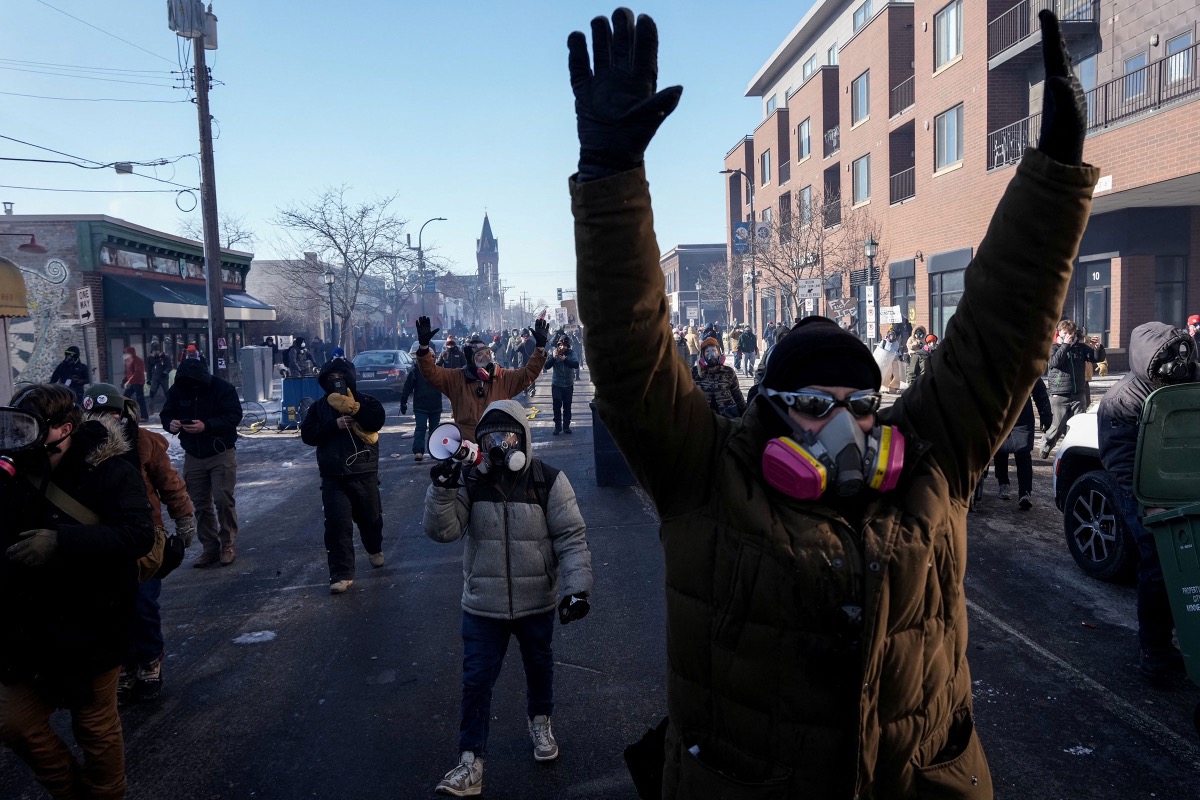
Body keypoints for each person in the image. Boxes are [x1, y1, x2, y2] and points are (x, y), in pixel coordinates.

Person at [567, 9, 1093, 796]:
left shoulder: (930, 469)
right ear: (774, 406)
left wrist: (1053, 174)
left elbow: (1002, 332)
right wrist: (611, 174)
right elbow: (631, 356)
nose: (843, 424)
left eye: (861, 402)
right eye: (815, 401)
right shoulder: (708, 482)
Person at [424, 399, 593, 796]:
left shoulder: (548, 480)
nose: (500, 446)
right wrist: (442, 491)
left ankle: (540, 723)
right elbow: (442, 532)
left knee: (539, 667)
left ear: (524, 439)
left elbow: (571, 537)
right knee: (476, 682)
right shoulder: (470, 481)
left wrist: (576, 588)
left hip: (536, 601)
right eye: (491, 438)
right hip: (483, 605)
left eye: (508, 436)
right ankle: (470, 763)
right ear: (479, 443)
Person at [0, 383, 154, 799]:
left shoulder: (109, 469)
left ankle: (106, 794)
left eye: (31, 428)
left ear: (65, 428)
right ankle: (70, 791)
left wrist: (62, 542)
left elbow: (138, 535)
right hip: (26, 626)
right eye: (15, 427)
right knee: (13, 721)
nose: (21, 438)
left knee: (95, 726)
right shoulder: (15, 468)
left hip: (92, 621)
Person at [81, 384, 195, 703]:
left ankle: (149, 660)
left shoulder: (143, 441)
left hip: (144, 536)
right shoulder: (79, 445)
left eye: (111, 413)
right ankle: (125, 665)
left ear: (122, 412)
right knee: (110, 608)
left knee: (143, 604)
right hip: (101, 539)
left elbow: (169, 483)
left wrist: (184, 519)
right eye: (97, 413)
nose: (105, 419)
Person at [1098, 321, 1198, 686]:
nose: (1176, 367)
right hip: (1144, 493)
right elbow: (1118, 458)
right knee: (1160, 568)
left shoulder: (1191, 380)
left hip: (1188, 486)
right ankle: (1154, 650)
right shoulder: (1122, 400)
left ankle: (1186, 642)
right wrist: (1147, 502)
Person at [300, 352, 386, 594]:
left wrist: (355, 411)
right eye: (332, 377)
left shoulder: (366, 401)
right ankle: (341, 573)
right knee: (337, 526)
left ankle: (374, 548)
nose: (336, 381)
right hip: (333, 476)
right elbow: (308, 435)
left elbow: (376, 420)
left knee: (370, 520)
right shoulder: (319, 408)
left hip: (363, 471)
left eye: (341, 376)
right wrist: (332, 426)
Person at [161, 351, 243, 567]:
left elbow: (234, 416)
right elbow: (166, 414)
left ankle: (228, 544)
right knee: (200, 504)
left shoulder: (222, 388)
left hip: (220, 451)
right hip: (193, 454)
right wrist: (170, 424)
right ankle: (210, 547)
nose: (191, 386)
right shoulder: (177, 390)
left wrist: (207, 425)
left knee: (223, 499)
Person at [415, 316, 548, 443]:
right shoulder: (456, 379)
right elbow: (430, 372)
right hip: (467, 447)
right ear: (470, 360)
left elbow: (528, 374)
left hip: (498, 443)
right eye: (479, 354)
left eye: (487, 353)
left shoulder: (503, 377)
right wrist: (424, 348)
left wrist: (540, 348)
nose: (486, 357)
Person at [992, 377, 1052, 510]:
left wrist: (1045, 414)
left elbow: (1039, 391)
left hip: (1021, 418)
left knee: (1023, 454)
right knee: (1000, 452)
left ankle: (1025, 493)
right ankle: (1003, 483)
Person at [1039, 318, 1090, 459]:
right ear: (1059, 332)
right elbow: (1054, 363)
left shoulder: (1079, 347)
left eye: (1072, 333)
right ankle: (1045, 445)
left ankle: (1072, 453)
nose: (1069, 335)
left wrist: (1098, 348)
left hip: (1078, 393)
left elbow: (1095, 357)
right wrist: (1065, 345)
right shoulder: (1052, 347)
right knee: (1057, 426)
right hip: (1059, 393)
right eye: (1066, 332)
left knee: (1076, 426)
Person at [400, 351, 443, 463]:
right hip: (421, 406)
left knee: (434, 430)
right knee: (421, 428)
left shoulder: (438, 371)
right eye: (429, 357)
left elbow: (448, 385)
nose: (431, 359)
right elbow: (407, 387)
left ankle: (434, 451)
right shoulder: (416, 371)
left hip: (435, 406)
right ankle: (418, 451)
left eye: (433, 357)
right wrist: (403, 402)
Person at [691, 337, 745, 418]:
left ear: (719, 353)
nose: (711, 354)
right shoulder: (694, 372)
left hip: (727, 417)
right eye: (707, 351)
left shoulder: (728, 371)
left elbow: (737, 394)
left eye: (714, 350)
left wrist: (745, 413)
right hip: (702, 417)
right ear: (702, 355)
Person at [544, 335, 580, 434]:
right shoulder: (554, 352)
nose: (562, 347)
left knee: (567, 406)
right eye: (560, 345)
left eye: (565, 345)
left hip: (568, 384)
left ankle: (566, 427)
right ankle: (557, 427)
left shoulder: (571, 353)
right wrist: (554, 358)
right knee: (557, 406)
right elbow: (546, 366)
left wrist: (565, 360)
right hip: (557, 384)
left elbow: (576, 364)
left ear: (568, 346)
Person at [121, 346, 149, 422]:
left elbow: (137, 372)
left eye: (126, 353)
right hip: (132, 382)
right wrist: (124, 381)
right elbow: (128, 373)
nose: (125, 354)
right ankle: (126, 414)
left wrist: (128, 381)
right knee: (125, 398)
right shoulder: (128, 361)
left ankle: (144, 416)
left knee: (140, 399)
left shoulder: (137, 360)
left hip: (138, 382)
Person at [146, 346, 172, 410]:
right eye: (154, 351)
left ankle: (171, 405)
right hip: (155, 378)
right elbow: (149, 369)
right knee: (152, 392)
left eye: (157, 351)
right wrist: (149, 379)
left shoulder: (165, 357)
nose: (156, 353)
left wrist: (165, 372)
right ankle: (151, 406)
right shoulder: (150, 359)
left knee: (166, 392)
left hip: (164, 378)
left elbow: (169, 366)